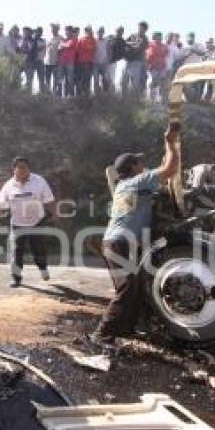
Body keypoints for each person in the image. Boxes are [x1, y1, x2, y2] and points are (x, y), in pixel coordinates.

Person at [92, 122, 180, 345]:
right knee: (127, 288)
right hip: (120, 243)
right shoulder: (137, 181)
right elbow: (170, 170)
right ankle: (101, 334)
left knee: (135, 288)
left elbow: (163, 171)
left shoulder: (126, 185)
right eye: (140, 162)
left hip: (118, 242)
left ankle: (125, 330)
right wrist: (170, 143)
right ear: (133, 167)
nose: (144, 165)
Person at [0, 157, 56, 288]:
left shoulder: (39, 181)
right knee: (15, 251)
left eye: (25, 167)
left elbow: (49, 199)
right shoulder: (9, 185)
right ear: (14, 170)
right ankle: (16, 278)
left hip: (36, 222)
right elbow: (0, 202)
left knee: (39, 250)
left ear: (29, 168)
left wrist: (54, 215)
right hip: (17, 224)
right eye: (20, 167)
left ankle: (43, 268)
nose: (23, 170)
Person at [121, 21, 148, 98]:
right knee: (123, 80)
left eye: (142, 28)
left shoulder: (145, 39)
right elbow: (125, 44)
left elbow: (138, 48)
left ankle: (134, 99)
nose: (140, 29)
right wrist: (127, 48)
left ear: (145, 29)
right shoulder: (133, 35)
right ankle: (124, 99)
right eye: (139, 27)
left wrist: (130, 46)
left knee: (135, 81)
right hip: (128, 61)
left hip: (137, 61)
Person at [180, 32, 206, 101]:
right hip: (187, 69)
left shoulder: (199, 45)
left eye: (192, 37)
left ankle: (197, 100)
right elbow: (181, 58)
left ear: (194, 38)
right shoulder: (184, 47)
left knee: (197, 84)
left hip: (197, 67)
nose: (190, 38)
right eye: (189, 37)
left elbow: (203, 53)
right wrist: (187, 54)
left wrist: (194, 50)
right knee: (187, 85)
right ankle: (189, 100)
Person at [146, 31, 168, 103]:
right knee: (153, 81)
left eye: (159, 36)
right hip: (152, 67)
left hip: (162, 67)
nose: (157, 38)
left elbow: (166, 54)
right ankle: (151, 99)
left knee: (162, 82)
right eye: (156, 36)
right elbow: (147, 55)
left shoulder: (164, 46)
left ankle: (161, 99)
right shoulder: (150, 45)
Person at [76, 25, 96, 97]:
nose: (88, 31)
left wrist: (86, 49)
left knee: (88, 79)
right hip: (81, 62)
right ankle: (80, 95)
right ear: (85, 31)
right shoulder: (81, 39)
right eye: (87, 30)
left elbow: (92, 49)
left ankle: (87, 95)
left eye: (89, 30)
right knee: (81, 79)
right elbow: (77, 50)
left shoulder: (93, 40)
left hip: (89, 62)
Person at [58, 26, 78, 97]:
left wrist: (62, 44)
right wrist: (62, 45)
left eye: (68, 31)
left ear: (71, 32)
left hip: (70, 62)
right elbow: (59, 49)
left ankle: (70, 96)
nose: (67, 32)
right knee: (60, 79)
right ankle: (61, 96)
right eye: (66, 31)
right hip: (61, 62)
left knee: (70, 79)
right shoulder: (64, 40)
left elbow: (68, 45)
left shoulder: (74, 39)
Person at [93, 26, 113, 94]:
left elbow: (109, 51)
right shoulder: (94, 41)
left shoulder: (106, 41)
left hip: (104, 63)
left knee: (105, 80)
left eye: (101, 32)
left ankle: (106, 94)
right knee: (96, 80)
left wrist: (108, 60)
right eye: (99, 32)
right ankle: (96, 95)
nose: (100, 33)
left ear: (103, 33)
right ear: (97, 33)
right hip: (95, 63)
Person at [44, 23, 62, 95]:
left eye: (55, 28)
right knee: (47, 79)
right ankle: (47, 94)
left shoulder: (60, 38)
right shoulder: (48, 38)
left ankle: (55, 95)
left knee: (56, 80)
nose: (53, 30)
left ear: (58, 29)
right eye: (52, 28)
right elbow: (45, 48)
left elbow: (62, 50)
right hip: (47, 62)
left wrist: (59, 60)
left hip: (56, 62)